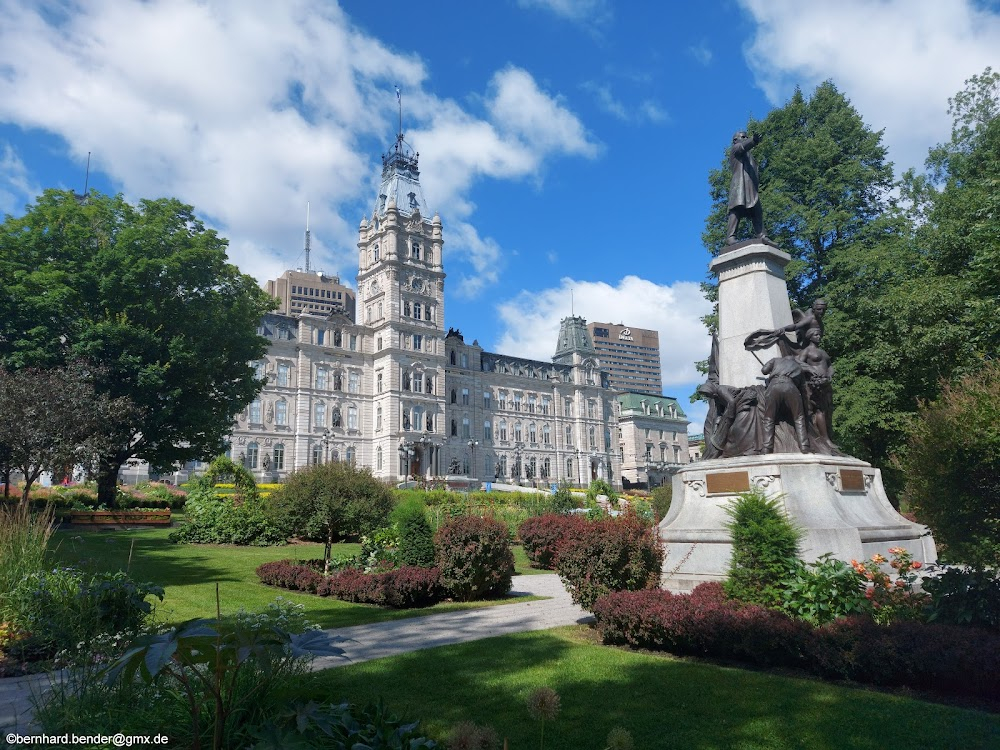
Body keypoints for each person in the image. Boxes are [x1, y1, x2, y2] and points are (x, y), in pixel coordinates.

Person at [760, 354, 811, 454]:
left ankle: (767, 448)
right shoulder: (799, 368)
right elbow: (802, 388)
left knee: (769, 419)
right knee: (799, 418)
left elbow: (764, 370)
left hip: (774, 386)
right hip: (791, 388)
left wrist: (772, 370)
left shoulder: (775, 360)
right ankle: (804, 447)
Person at [726, 131, 765, 245]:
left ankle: (762, 235)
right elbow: (742, 146)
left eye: (746, 137)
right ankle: (730, 236)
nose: (745, 138)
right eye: (743, 137)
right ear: (735, 140)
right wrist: (753, 140)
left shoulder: (749, 157)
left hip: (751, 187)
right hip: (740, 186)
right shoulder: (736, 149)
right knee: (736, 209)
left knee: (757, 211)